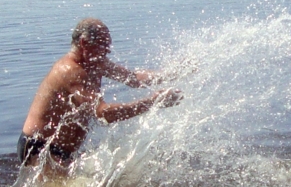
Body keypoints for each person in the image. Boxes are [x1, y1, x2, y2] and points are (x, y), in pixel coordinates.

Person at [18, 18, 180, 172]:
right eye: (103, 45)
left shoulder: (96, 62)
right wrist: (153, 102)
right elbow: (103, 113)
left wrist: (175, 73)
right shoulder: (72, 71)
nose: (108, 50)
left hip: (64, 151)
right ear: (84, 43)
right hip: (40, 147)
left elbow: (134, 78)